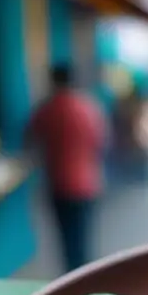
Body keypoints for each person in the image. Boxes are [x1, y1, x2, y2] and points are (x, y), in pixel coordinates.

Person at [26, 63, 108, 272]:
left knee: (67, 241)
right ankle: (85, 278)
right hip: (88, 182)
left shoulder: (47, 109)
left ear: (53, 81)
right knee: (84, 239)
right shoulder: (89, 107)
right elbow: (102, 142)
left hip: (60, 184)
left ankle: (72, 281)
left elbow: (30, 139)